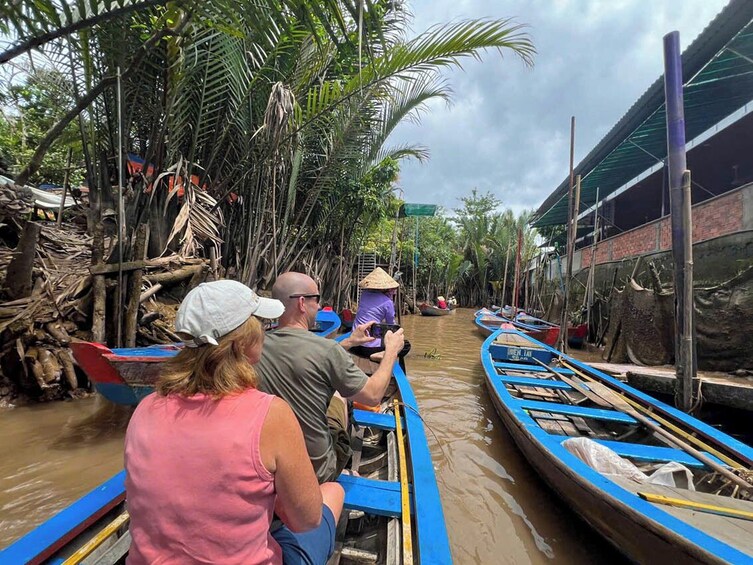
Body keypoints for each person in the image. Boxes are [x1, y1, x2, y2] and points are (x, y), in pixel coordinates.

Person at [125, 280, 344, 565]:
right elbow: (306, 520)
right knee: (333, 491)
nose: (265, 331)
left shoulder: (145, 408)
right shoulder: (271, 414)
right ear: (243, 344)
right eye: (260, 325)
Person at [256, 272, 405, 483]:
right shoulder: (326, 351)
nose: (318, 306)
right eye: (316, 299)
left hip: (271, 460)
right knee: (341, 395)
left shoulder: (257, 346)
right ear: (301, 303)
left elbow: (308, 354)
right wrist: (391, 351)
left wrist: (350, 341)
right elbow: (373, 396)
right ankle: (344, 465)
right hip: (316, 469)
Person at [349, 267, 411, 365]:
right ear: (386, 289)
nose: (394, 291)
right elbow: (391, 325)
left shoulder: (364, 294)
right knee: (405, 345)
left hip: (354, 346)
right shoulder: (388, 302)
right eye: (392, 289)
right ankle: (382, 354)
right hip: (370, 350)